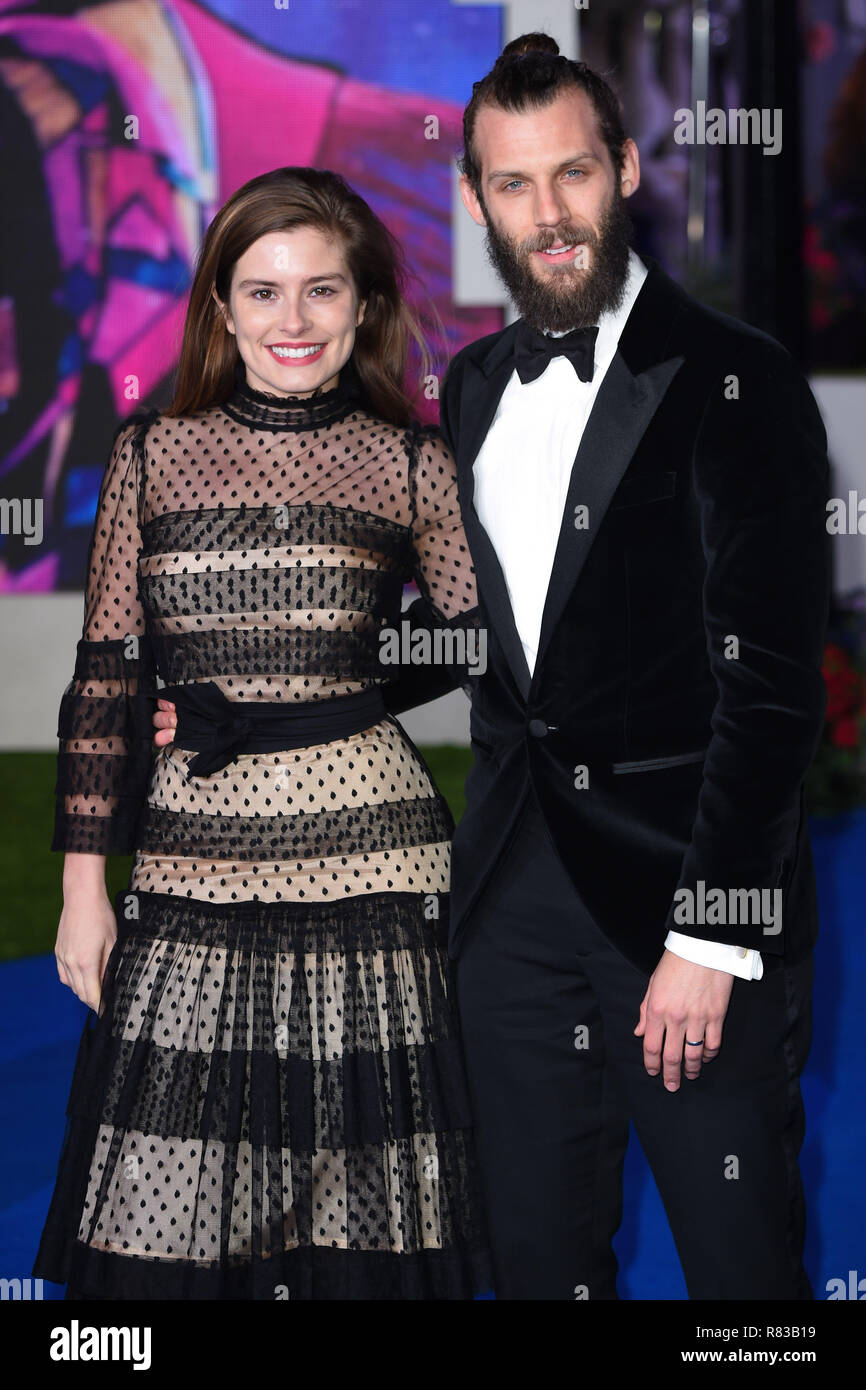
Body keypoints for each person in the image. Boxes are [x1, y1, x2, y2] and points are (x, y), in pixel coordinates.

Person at [32, 165, 492, 1300]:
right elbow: (107, 676)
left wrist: (330, 689)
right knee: (166, 1219)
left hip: (374, 862)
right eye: (264, 291)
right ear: (221, 307)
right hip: (192, 851)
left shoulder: (408, 460)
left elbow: (478, 644)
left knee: (359, 1221)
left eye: (322, 292)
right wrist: (84, 887)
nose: (293, 322)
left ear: (364, 307)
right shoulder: (149, 453)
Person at [439, 34, 828, 1299]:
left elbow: (772, 689)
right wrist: (250, 698)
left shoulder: (741, 378)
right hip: (508, 905)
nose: (548, 216)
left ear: (622, 168)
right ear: (476, 200)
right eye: (513, 184)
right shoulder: (469, 386)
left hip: (682, 897)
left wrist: (709, 937)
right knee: (537, 1260)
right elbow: (468, 630)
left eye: (572, 175)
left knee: (737, 1271)